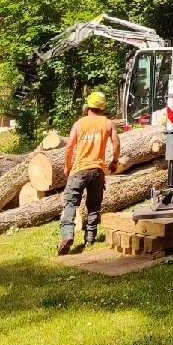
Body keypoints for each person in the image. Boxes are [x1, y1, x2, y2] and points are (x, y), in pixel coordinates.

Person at [57, 91, 120, 255]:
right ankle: (90, 239)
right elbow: (116, 143)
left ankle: (67, 235)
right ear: (102, 107)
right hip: (98, 171)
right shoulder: (107, 123)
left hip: (79, 170)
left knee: (70, 203)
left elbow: (69, 146)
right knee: (93, 206)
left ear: (88, 106)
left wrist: (67, 166)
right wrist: (114, 162)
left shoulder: (79, 124)